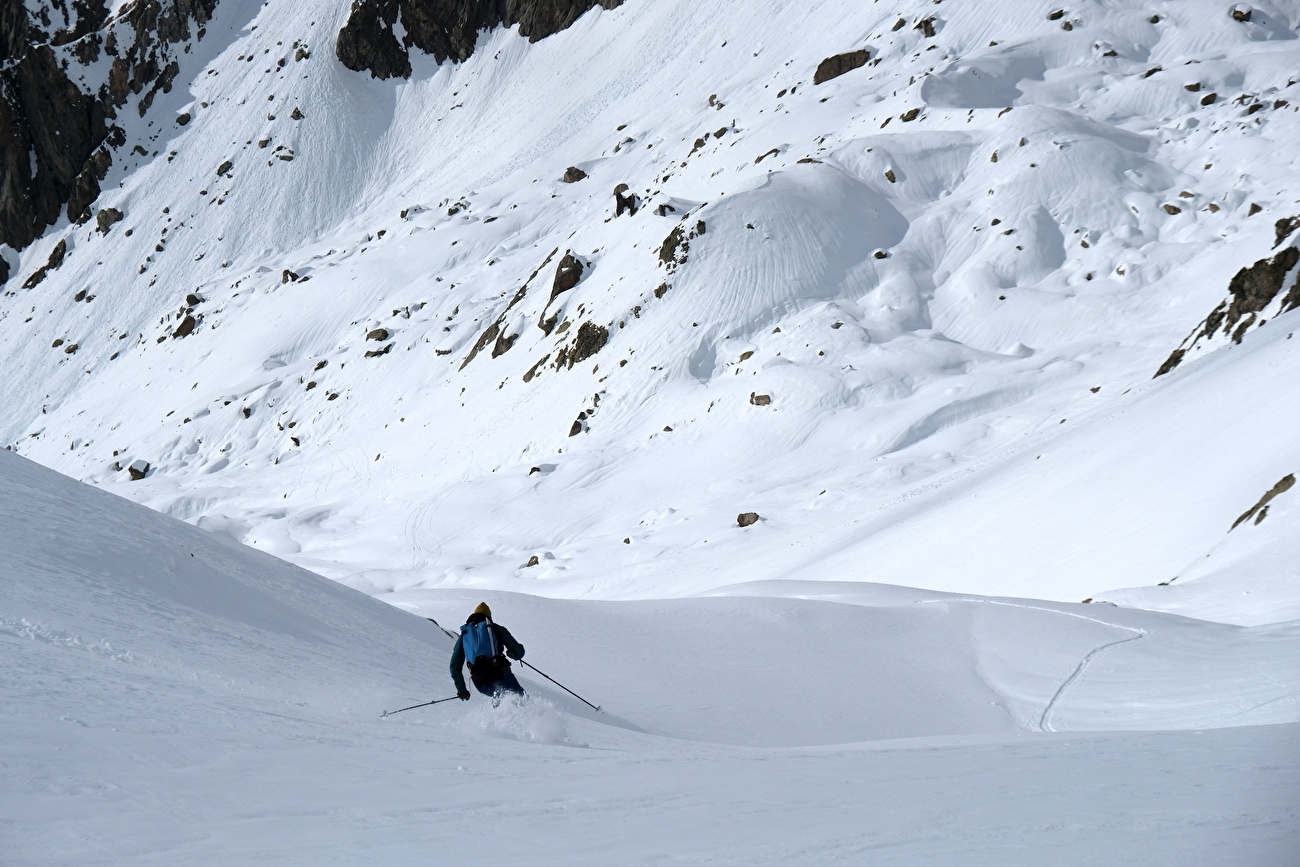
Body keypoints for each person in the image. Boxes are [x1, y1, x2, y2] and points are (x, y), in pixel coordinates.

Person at [450, 602, 526, 702]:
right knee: (522, 699)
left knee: (499, 698)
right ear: (488, 616)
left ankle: (498, 717)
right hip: (501, 675)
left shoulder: (465, 635)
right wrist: (511, 654)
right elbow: (519, 653)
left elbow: (454, 666)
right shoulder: (495, 629)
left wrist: (462, 690)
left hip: (480, 682)